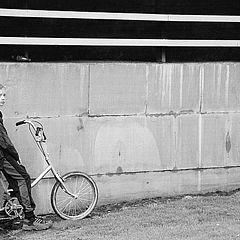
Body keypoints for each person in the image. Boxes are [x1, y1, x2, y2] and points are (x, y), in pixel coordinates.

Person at [0, 84, 52, 231]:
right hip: (2, 157)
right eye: (0, 95)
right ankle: (29, 219)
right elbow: (4, 141)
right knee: (23, 177)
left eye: (4, 95)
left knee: (16, 181)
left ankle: (19, 213)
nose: (3, 98)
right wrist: (15, 154)